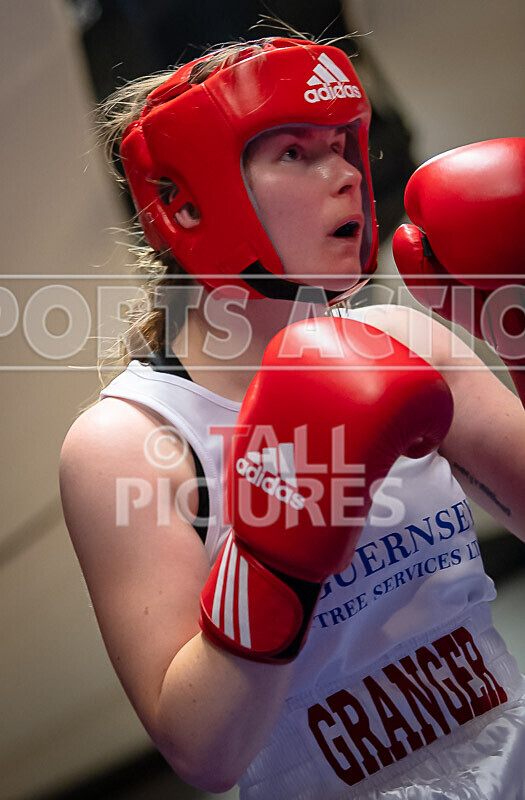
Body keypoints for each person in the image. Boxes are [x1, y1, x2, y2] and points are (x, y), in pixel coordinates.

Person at [59, 35, 525, 799]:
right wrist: (274, 553)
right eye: (295, 154)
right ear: (185, 200)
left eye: (343, 146)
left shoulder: (404, 342)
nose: (344, 174)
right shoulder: (132, 443)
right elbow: (203, 755)